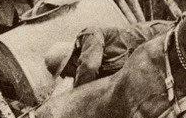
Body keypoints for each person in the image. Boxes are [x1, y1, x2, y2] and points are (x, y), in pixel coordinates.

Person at [46, 20, 174, 89]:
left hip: (163, 36)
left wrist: (76, 96)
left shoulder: (89, 35)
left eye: (65, 73)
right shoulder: (97, 67)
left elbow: (89, 67)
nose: (68, 77)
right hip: (156, 58)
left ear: (71, 61)